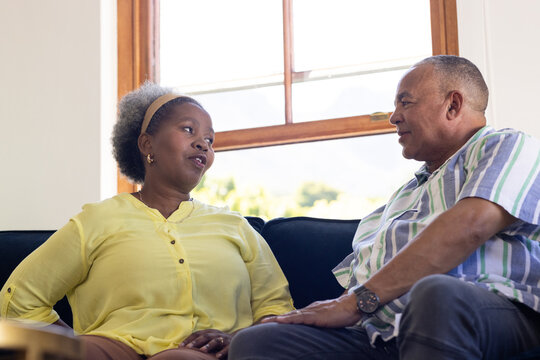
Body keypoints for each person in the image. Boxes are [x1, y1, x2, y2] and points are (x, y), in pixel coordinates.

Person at [228, 55, 540, 360]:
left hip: (484, 311)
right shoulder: (400, 200)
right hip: (380, 332)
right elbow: (355, 287)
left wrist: (355, 302)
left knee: (436, 295)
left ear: (453, 105)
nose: (393, 117)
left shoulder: (507, 146)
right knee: (257, 343)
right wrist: (285, 320)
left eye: (406, 102)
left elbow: (471, 225)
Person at [0, 82, 294, 360]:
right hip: (111, 346)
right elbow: (20, 299)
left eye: (209, 139)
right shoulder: (97, 220)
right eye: (189, 130)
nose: (203, 144)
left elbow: (276, 310)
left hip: (196, 351)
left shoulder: (236, 227)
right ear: (146, 144)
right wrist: (73, 341)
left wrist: (239, 339)